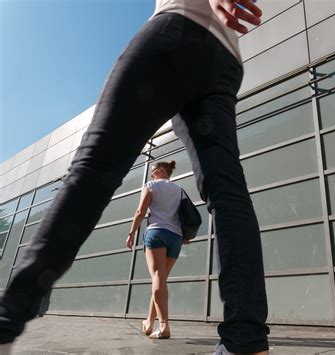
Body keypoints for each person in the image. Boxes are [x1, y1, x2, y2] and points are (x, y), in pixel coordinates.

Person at [0, 0, 269, 354]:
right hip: (225, 61)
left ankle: (6, 321)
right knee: (227, 193)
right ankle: (246, 341)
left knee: (94, 167)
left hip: (178, 29)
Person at [126, 160, 185, 339]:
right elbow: (184, 214)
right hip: (175, 237)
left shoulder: (151, 185)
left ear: (160, 171)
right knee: (160, 279)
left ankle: (164, 325)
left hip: (157, 232)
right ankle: (149, 322)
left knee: (158, 277)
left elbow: (140, 212)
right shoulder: (179, 190)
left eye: (153, 171)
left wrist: (131, 233)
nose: (151, 175)